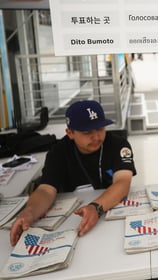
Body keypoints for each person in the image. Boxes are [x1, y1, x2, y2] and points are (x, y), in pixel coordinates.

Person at [10, 100, 136, 246]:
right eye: (87, 132)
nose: (96, 137)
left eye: (100, 128)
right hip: (73, 221)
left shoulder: (118, 144)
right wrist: (30, 212)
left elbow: (123, 183)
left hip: (110, 213)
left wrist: (96, 207)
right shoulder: (58, 152)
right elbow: (46, 189)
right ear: (70, 133)